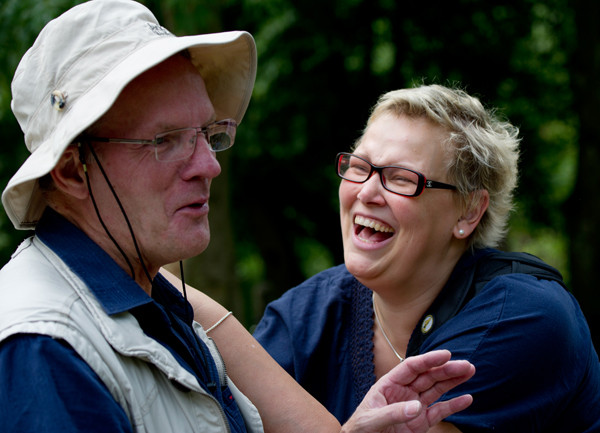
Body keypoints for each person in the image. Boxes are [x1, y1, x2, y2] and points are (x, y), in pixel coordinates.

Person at [0, 1, 476, 432]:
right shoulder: (44, 350)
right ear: (70, 170)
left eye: (207, 134)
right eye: (163, 140)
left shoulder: (152, 305)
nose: (209, 165)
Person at [249, 85, 600, 432]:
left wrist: (210, 314)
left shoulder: (526, 318)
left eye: (401, 178)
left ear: (468, 212)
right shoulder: (305, 314)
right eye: (359, 167)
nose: (367, 192)